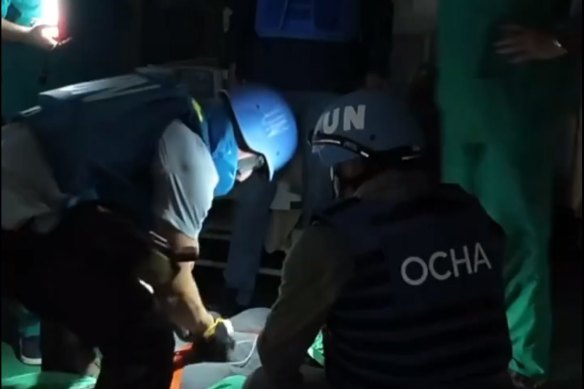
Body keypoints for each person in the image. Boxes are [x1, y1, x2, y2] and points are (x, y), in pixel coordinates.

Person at [1, 68, 298, 388]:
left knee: (82, 290)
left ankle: (67, 376)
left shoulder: (159, 106)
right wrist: (206, 329)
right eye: (252, 167)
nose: (240, 179)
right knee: (146, 338)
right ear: (248, 146)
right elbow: (175, 287)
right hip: (19, 210)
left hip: (28, 192)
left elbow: (132, 243)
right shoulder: (193, 158)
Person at [230, 90, 512, 389]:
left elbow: (278, 356)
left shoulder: (335, 236)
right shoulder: (468, 211)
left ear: (352, 166)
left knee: (261, 383)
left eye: (336, 166)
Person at [437, 1, 580, 387]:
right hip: (462, 94)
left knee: (514, 232)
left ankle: (521, 363)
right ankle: (462, 348)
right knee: (457, 237)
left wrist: (561, 40)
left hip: (516, 102)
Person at [223, 0, 395, 312]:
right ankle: (237, 291)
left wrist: (376, 67)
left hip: (331, 77)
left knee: (322, 196)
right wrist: (234, 60)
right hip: (269, 77)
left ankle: (316, 290)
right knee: (256, 189)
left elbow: (378, 11)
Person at [1, 0, 62, 366]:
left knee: (63, 213)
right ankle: (30, 326)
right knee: (25, 213)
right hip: (19, 106)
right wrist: (27, 36)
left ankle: (58, 317)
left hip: (66, 102)